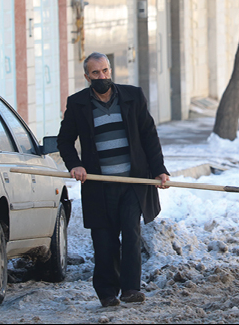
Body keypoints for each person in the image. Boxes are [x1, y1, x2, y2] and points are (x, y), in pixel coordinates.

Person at [57, 52, 170, 307]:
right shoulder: (78, 104)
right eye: (95, 73)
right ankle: (107, 293)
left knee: (131, 234)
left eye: (105, 71)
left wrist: (159, 170)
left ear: (111, 71)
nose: (102, 76)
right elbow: (64, 140)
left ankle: (131, 289)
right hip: (99, 186)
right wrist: (75, 165)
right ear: (87, 76)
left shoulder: (132, 97)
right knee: (104, 241)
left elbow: (149, 135)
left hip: (133, 183)